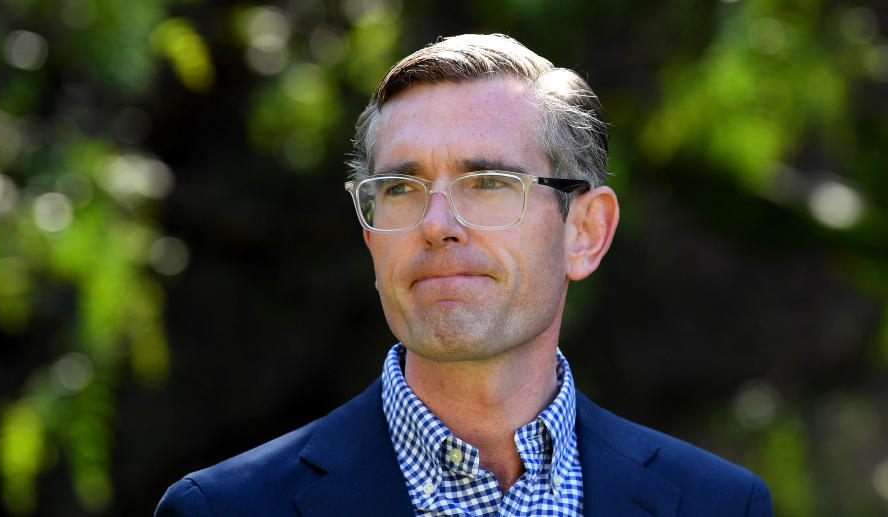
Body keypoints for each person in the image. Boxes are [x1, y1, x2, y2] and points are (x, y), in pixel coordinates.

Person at [155, 33, 773, 516]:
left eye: (488, 183)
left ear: (584, 233)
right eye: (400, 187)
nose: (436, 223)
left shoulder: (719, 505)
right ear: (370, 234)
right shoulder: (225, 509)